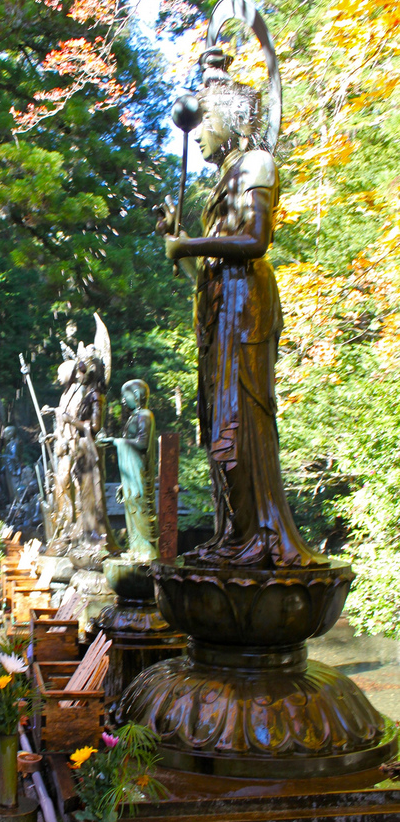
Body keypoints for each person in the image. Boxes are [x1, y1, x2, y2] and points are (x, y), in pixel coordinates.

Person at [157, 46, 328, 569]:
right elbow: (203, 273)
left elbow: (254, 239)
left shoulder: (256, 163)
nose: (200, 134)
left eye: (205, 121)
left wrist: (191, 246)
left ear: (227, 119)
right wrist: (181, 244)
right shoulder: (220, 183)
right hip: (218, 310)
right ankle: (233, 532)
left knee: (239, 417)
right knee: (215, 424)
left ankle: (262, 535)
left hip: (246, 306)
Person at [98, 379, 159, 559]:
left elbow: (141, 444)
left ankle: (147, 550)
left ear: (138, 396)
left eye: (126, 396)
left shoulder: (145, 415)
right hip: (131, 475)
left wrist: (115, 441)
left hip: (140, 474)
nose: (123, 401)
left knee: (140, 508)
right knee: (131, 508)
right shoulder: (135, 417)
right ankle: (136, 548)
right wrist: (124, 481)